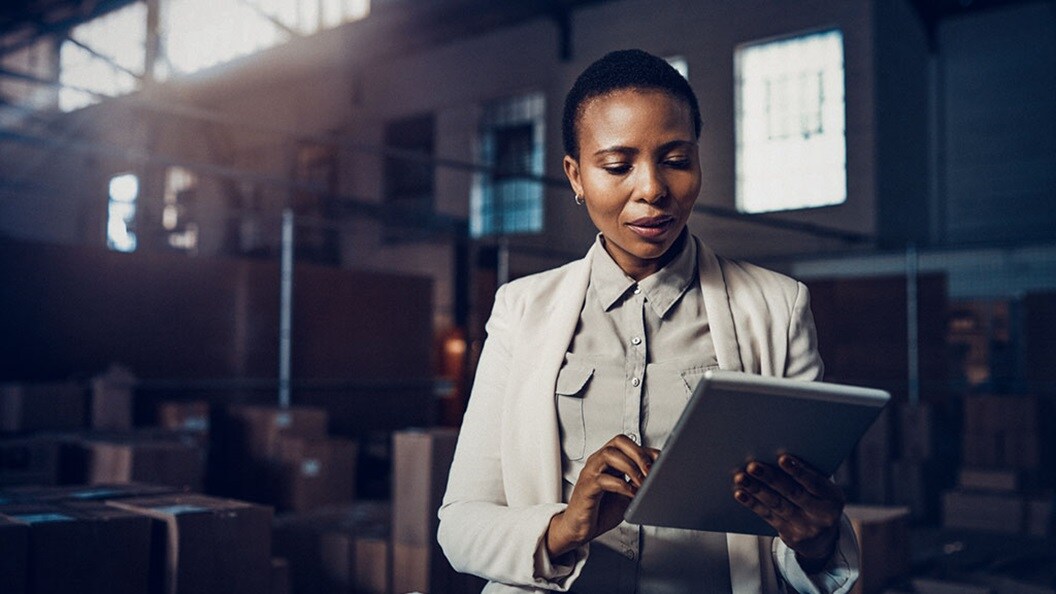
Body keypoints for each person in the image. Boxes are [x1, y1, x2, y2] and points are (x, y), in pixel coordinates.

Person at [437, 49, 860, 594]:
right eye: (617, 166)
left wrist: (818, 542)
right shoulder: (521, 310)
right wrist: (564, 529)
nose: (653, 188)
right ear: (576, 175)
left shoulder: (777, 309)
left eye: (677, 159)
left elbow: (795, 533)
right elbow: (461, 524)